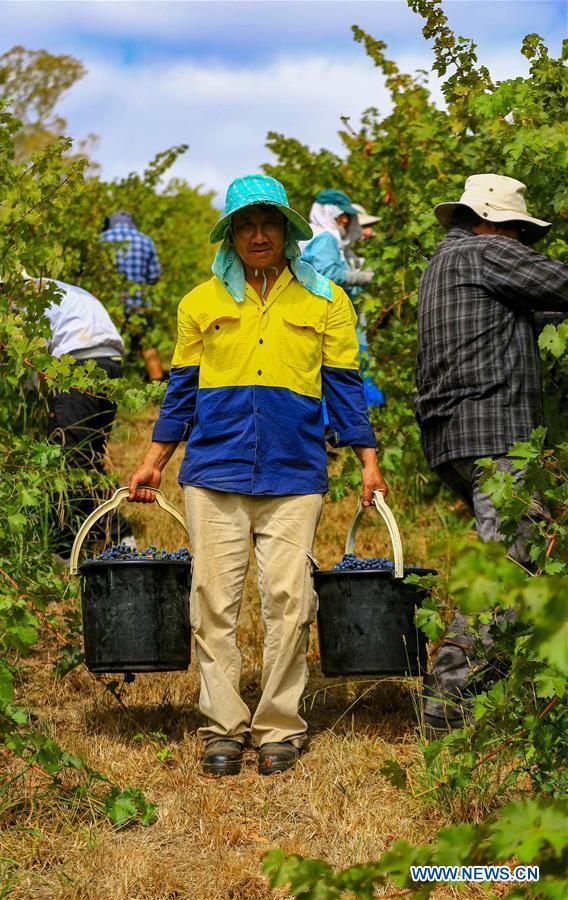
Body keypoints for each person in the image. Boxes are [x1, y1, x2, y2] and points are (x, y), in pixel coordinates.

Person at [127, 174, 388, 776]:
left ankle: (277, 727)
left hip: (295, 470)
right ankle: (222, 727)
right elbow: (181, 391)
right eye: (246, 225)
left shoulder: (325, 300)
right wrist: (154, 461)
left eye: (270, 223)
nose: (259, 234)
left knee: (290, 602)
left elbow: (345, 389)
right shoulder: (200, 303)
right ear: (231, 236)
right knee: (213, 602)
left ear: (288, 231)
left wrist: (368, 461)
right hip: (214, 468)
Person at [415, 173, 568, 738]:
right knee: (510, 570)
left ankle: (485, 696)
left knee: (508, 560)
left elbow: (518, 316)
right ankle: (448, 702)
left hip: (454, 436)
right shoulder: (486, 252)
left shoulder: (447, 261)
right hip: (495, 431)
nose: (522, 243)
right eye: (519, 232)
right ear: (492, 222)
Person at [40, 277, 136, 560]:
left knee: (71, 459)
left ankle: (67, 548)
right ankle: (114, 535)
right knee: (88, 456)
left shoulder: (24, 298)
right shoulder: (56, 287)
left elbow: (32, 359)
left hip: (78, 365)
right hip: (110, 363)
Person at [301, 189, 384, 412]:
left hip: (316, 315)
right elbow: (329, 274)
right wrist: (367, 277)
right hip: (328, 316)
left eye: (347, 216)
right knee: (342, 370)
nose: (346, 220)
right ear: (329, 213)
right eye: (341, 215)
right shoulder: (326, 238)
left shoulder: (316, 236)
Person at [100, 211, 165, 381]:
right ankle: (158, 386)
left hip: (110, 306)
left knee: (110, 348)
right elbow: (154, 276)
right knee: (148, 346)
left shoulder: (102, 239)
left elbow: (95, 273)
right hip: (139, 303)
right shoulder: (145, 240)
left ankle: (111, 387)